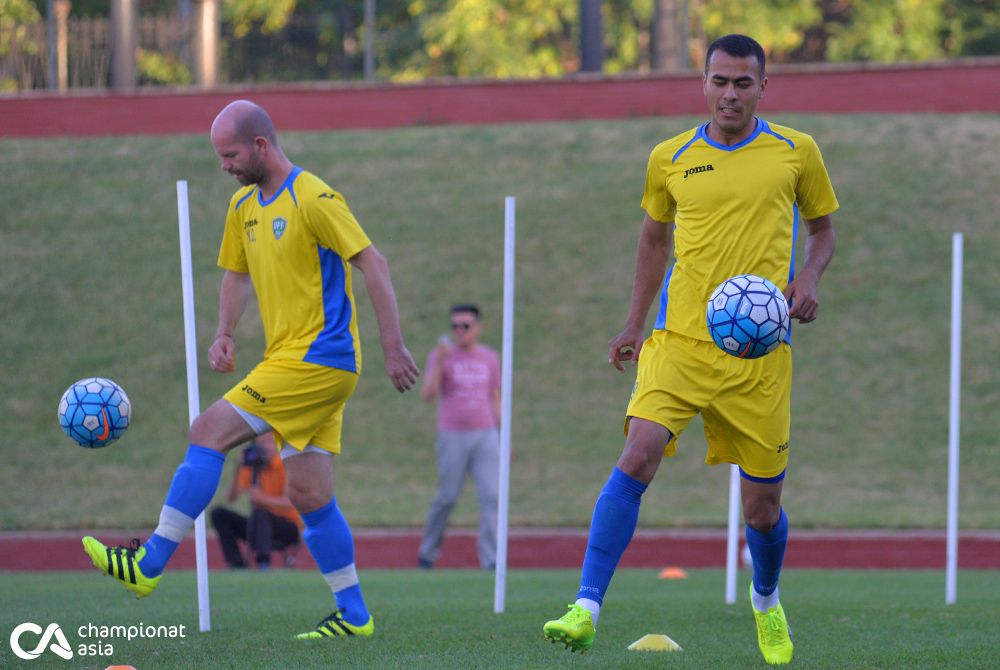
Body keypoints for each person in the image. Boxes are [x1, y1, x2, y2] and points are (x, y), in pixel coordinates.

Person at [542, 34, 838, 666]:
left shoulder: (796, 151)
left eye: (742, 83)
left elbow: (823, 232)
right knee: (638, 452)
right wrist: (632, 322)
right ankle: (585, 607)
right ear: (703, 83)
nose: (729, 93)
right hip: (678, 343)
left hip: (760, 359)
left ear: (764, 87)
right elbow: (653, 241)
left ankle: (766, 600)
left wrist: (808, 279)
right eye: (719, 81)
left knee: (762, 512)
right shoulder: (670, 157)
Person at [82, 99, 420, 641]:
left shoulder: (314, 196)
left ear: (260, 145)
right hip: (290, 359)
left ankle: (147, 566)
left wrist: (394, 345)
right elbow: (235, 275)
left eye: (230, 154)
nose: (224, 165)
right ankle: (355, 616)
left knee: (207, 431)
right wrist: (222, 332)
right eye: (219, 156)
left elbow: (373, 264)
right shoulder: (243, 207)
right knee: (309, 494)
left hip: (320, 357)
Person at [417, 304, 501, 570]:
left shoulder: (489, 357)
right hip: (453, 434)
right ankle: (428, 553)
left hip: (486, 433)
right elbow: (428, 394)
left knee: (492, 495)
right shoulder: (442, 355)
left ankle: (491, 559)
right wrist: (440, 362)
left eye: (465, 326)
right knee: (447, 496)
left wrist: (503, 434)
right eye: (455, 326)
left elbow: (495, 397)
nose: (459, 331)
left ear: (478, 328)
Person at [210, 432, 302, 570]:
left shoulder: (285, 464)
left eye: (268, 442)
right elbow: (230, 498)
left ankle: (263, 563)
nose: (264, 447)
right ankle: (236, 564)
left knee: (261, 513)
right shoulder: (252, 465)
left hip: (287, 527)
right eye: (260, 443)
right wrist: (239, 466)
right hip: (258, 525)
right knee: (219, 514)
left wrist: (262, 499)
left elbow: (293, 503)